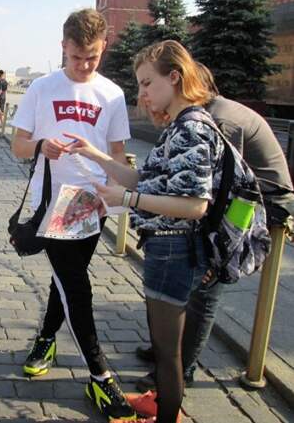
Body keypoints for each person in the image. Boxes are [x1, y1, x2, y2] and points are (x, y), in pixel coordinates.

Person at [66, 40, 224, 423]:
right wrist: (96, 154)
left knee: (167, 353)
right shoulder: (180, 126)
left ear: (175, 77)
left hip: (174, 250)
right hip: (166, 249)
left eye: (147, 84)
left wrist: (128, 199)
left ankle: (167, 417)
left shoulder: (191, 129)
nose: (143, 95)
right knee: (164, 347)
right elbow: (146, 179)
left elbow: (194, 205)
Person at [132, 64, 294, 393]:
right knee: (190, 278)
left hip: (261, 202)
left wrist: (211, 253)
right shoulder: (202, 116)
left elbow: (219, 192)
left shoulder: (215, 122)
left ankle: (184, 367)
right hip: (238, 196)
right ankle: (167, 351)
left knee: (206, 286)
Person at [10, 8, 134, 421]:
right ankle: (100, 375)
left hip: (92, 204)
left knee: (66, 281)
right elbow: (18, 146)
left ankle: (46, 337)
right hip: (52, 205)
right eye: (77, 56)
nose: (83, 65)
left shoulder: (112, 94)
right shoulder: (42, 88)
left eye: (93, 58)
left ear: (103, 49)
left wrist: (111, 200)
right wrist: (42, 144)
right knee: (77, 288)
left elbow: (117, 155)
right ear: (63, 46)